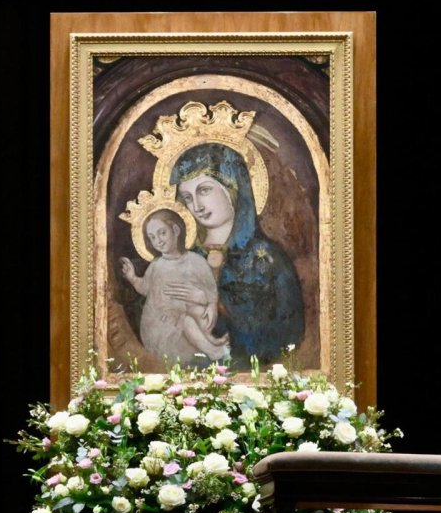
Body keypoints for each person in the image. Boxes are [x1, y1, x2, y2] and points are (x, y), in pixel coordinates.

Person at [170, 142, 305, 370]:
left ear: (232, 189)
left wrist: (218, 304)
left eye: (204, 190)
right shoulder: (183, 258)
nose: (197, 206)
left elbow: (287, 332)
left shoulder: (267, 259)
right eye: (187, 197)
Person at [120, 209, 230, 363]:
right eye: (152, 237)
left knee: (198, 312)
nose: (158, 241)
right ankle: (213, 351)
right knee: (186, 320)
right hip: (160, 325)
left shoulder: (196, 261)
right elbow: (145, 288)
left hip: (190, 319)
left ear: (176, 230)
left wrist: (211, 305)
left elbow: (211, 290)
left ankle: (211, 341)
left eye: (162, 233)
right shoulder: (156, 266)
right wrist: (132, 277)